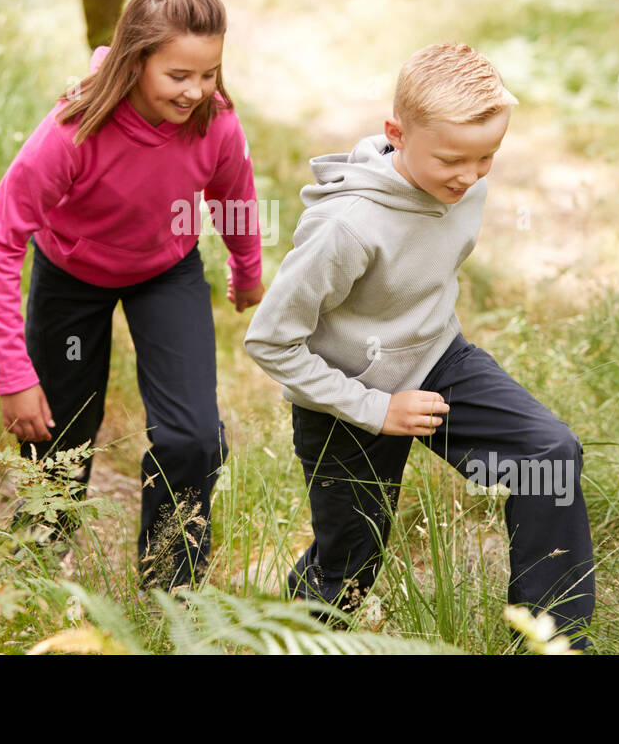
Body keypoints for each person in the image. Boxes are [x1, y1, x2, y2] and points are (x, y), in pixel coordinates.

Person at [243, 42, 596, 651]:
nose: (469, 176)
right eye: (453, 159)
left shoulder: (466, 186)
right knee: (349, 568)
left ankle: (551, 638)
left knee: (548, 457)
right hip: (344, 398)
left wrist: (418, 365)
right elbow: (271, 342)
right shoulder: (346, 226)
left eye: (487, 157)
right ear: (396, 134)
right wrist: (379, 410)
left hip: (437, 362)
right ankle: (293, 637)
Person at [0, 0, 266, 591]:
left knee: (193, 438)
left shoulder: (215, 123)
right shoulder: (71, 132)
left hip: (165, 271)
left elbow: (233, 195)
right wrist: (14, 376)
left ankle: (171, 590)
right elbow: (0, 243)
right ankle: (34, 581)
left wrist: (247, 272)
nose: (196, 91)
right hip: (71, 277)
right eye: (178, 75)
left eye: (208, 73)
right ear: (136, 61)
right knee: (58, 438)